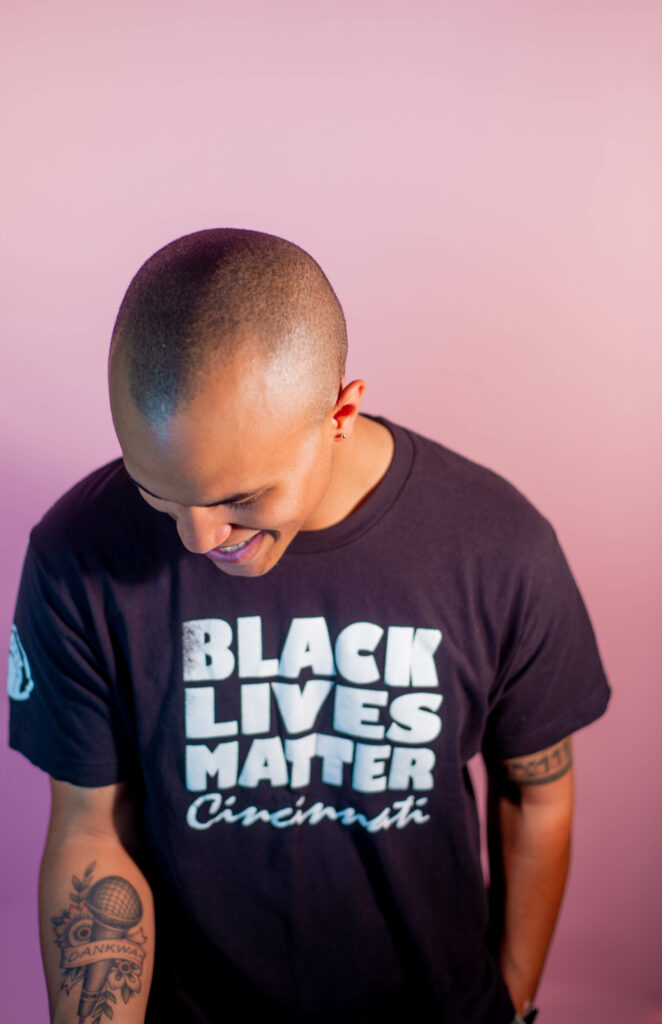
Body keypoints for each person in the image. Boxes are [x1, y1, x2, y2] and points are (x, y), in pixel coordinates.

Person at [8, 228, 610, 1024]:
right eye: (157, 493)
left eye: (239, 499)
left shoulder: (499, 548)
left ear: (340, 412)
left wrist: (514, 1002)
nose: (198, 539)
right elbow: (91, 828)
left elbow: (536, 795)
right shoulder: (76, 554)